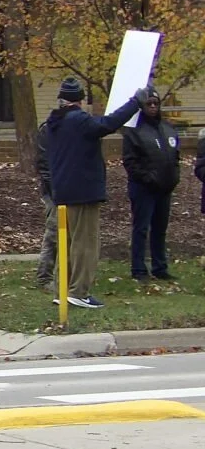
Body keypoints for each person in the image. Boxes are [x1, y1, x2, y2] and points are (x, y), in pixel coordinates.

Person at [44, 78, 147, 308]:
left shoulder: (54, 122)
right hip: (83, 190)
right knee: (85, 243)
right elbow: (107, 125)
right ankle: (79, 291)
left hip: (63, 190)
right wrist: (135, 102)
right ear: (80, 100)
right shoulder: (78, 120)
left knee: (67, 243)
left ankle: (62, 290)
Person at [121, 87, 180, 281]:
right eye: (149, 104)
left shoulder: (168, 128)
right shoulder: (134, 131)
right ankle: (138, 269)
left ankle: (160, 267)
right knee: (141, 228)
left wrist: (174, 177)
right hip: (143, 189)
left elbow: (175, 155)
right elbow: (130, 162)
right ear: (142, 107)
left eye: (156, 103)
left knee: (160, 229)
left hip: (165, 188)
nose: (153, 107)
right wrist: (147, 178)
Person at [33, 119, 57, 292]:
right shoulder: (48, 130)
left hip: (65, 189)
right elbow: (43, 165)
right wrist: (54, 191)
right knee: (53, 233)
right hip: (53, 192)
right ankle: (44, 277)